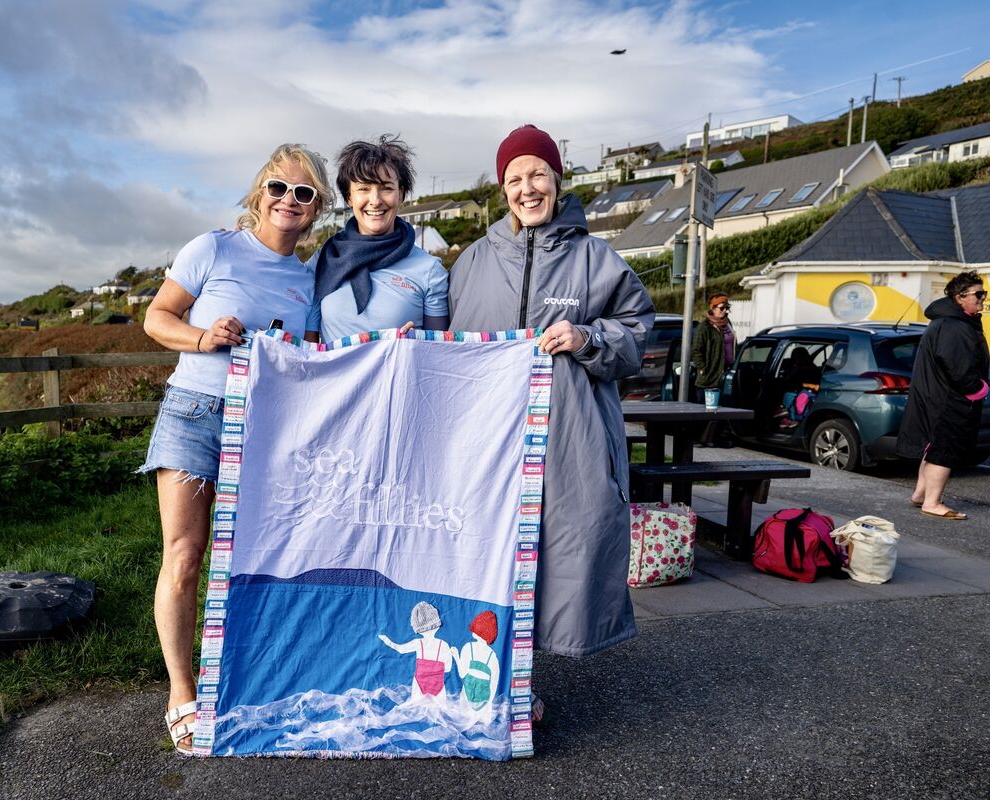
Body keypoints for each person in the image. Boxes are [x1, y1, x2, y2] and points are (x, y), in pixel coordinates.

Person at [139, 143, 332, 755]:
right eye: (279, 187)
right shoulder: (213, 248)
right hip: (195, 414)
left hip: (266, 426)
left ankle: (244, 678)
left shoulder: (310, 281)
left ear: (317, 208)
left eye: (304, 193)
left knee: (255, 560)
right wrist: (201, 337)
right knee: (186, 554)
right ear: (258, 192)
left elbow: (318, 358)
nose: (288, 201)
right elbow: (156, 317)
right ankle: (181, 693)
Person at [447, 124, 655, 678]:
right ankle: (484, 678)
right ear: (503, 189)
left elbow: (637, 333)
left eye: (538, 173)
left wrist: (588, 338)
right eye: (515, 178)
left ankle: (521, 683)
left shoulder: (597, 258)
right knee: (482, 552)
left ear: (558, 181)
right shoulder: (472, 263)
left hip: (570, 439)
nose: (527, 187)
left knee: (563, 550)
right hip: (487, 442)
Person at [313, 135, 449, 340]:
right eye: (364, 189)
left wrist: (417, 344)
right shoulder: (324, 258)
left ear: (401, 194)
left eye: (386, 188)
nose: (375, 201)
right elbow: (305, 339)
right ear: (349, 197)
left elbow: (440, 353)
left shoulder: (429, 271)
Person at [897, 271, 989, 520]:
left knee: (934, 448)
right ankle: (932, 502)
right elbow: (958, 368)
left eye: (984, 293)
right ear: (960, 297)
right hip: (949, 400)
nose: (983, 298)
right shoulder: (954, 326)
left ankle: (920, 495)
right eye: (978, 294)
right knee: (943, 450)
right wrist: (978, 389)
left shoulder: (949, 322)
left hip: (938, 397)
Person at [378, 601, 454, 699]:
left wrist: (387, 641)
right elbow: (448, 668)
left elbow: (401, 649)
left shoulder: (418, 643)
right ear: (437, 624)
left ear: (417, 628)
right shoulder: (443, 645)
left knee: (417, 709)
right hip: (438, 683)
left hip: (419, 683)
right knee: (438, 710)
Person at [690, 293, 736, 443]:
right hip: (709, 375)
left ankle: (716, 438)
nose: (725, 311)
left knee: (721, 409)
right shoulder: (705, 327)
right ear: (713, 308)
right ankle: (700, 438)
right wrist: (702, 368)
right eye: (722, 308)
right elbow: (696, 350)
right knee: (705, 409)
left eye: (727, 308)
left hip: (726, 373)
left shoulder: (728, 325)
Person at [451, 610, 501, 722]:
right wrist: (488, 703)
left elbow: (462, 673)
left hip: (466, 699)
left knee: (464, 723)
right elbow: (493, 684)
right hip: (484, 701)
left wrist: (456, 657)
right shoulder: (493, 656)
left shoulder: (468, 648)